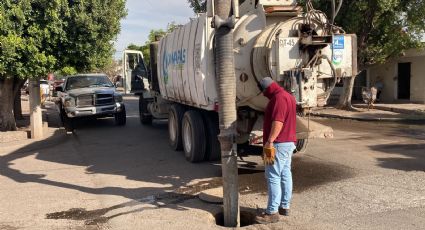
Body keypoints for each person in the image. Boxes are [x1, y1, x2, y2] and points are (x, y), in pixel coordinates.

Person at [255, 77, 297, 224]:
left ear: (267, 89)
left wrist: (269, 142)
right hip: (288, 143)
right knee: (285, 173)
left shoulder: (278, 99)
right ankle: (284, 206)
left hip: (277, 145)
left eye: (263, 92)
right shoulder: (289, 96)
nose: (264, 95)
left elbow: (278, 122)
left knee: (272, 176)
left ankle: (272, 212)